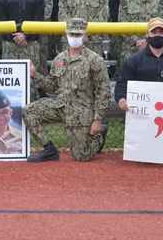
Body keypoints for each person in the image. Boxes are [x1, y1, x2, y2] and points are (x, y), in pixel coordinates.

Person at [23, 18, 112, 162]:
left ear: (85, 36)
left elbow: (104, 91)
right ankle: (49, 149)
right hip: (61, 106)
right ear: (66, 34)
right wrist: (35, 75)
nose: (74, 37)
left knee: (81, 157)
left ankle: (99, 136)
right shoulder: (60, 58)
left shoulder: (94, 60)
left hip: (81, 111)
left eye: (78, 35)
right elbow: (52, 85)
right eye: (72, 34)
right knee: (29, 111)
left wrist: (98, 119)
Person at [0, 0, 47, 81]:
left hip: (31, 44)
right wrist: (14, 37)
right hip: (10, 44)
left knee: (31, 79)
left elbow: (38, 21)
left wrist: (25, 36)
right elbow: (1, 21)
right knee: (10, 79)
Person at [113, 0, 163, 70]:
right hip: (130, 49)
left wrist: (146, 41)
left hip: (153, 48)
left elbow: (162, 24)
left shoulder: (159, 1)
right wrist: (136, 41)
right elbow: (122, 25)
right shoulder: (125, 1)